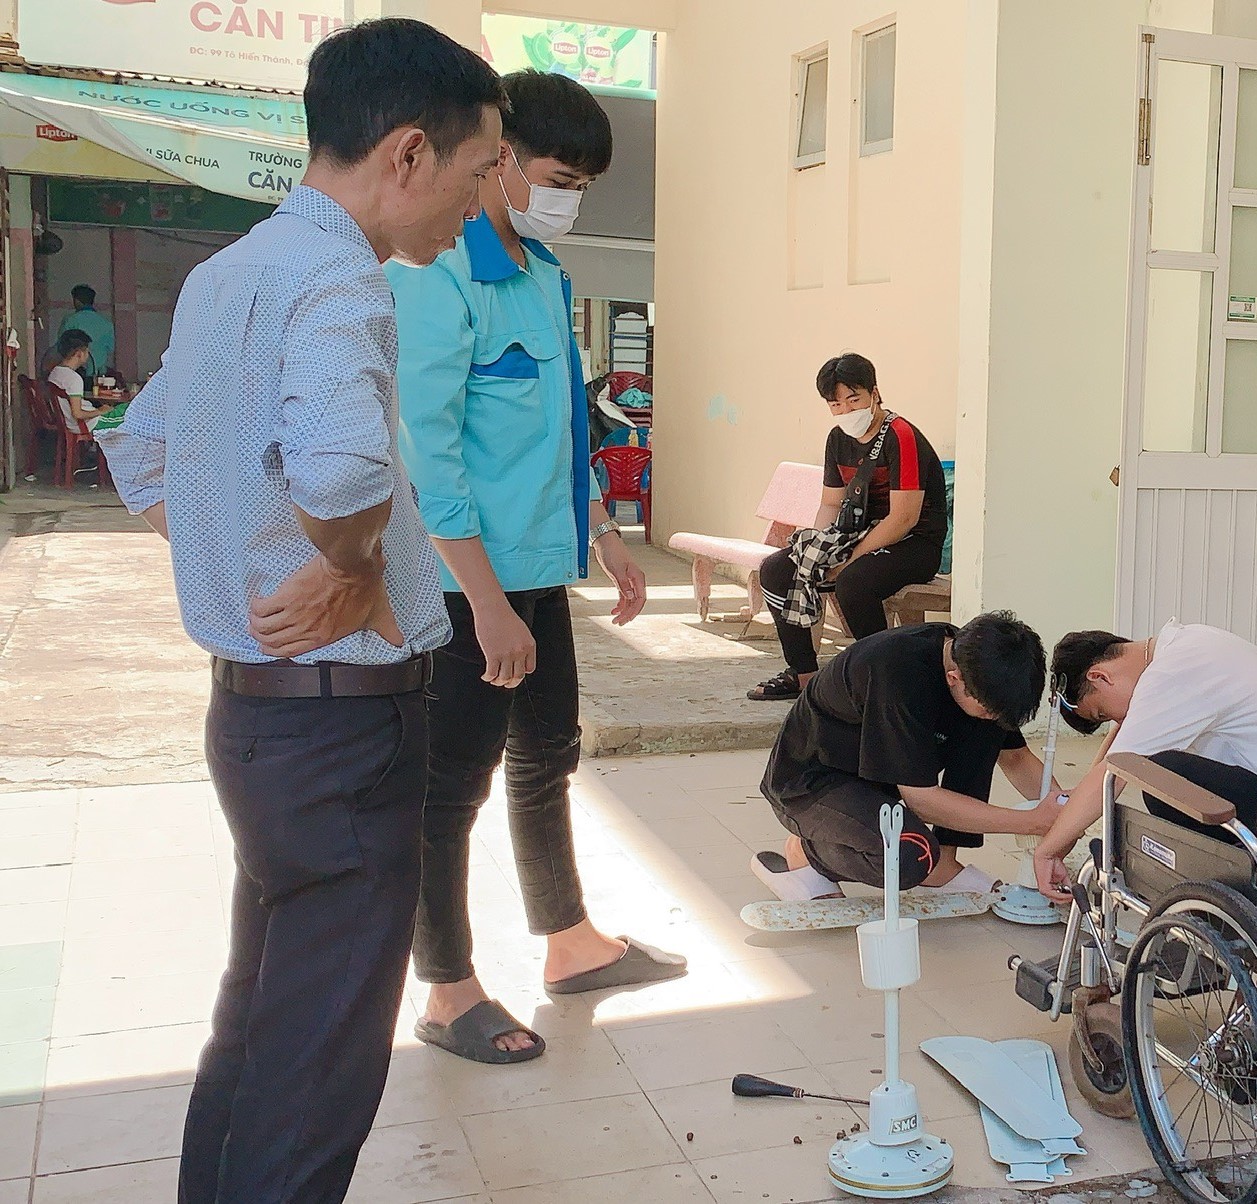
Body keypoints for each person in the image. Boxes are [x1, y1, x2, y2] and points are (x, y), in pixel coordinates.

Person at [95, 20, 506, 1203]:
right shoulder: (339, 281)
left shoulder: (234, 270)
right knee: (320, 1061)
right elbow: (337, 473)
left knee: (264, 1020)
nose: (477, 209)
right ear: (411, 154)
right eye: (480, 175)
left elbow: (144, 447)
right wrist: (355, 562)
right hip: (338, 733)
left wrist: (235, 556)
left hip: (261, 726)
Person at [387, 68, 685, 1066]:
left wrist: (602, 533)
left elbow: (559, 428)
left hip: (537, 568)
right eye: (561, 176)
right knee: (448, 786)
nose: (570, 199)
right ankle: (445, 987)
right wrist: (483, 602)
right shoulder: (436, 272)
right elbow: (426, 454)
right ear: (497, 157)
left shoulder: (548, 276)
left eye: (585, 186)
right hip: (461, 580)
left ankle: (568, 941)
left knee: (548, 750)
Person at [752, 612, 1063, 899]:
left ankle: (943, 865)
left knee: (983, 730)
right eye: (987, 707)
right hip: (812, 784)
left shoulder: (979, 665)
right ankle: (808, 853)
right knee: (911, 856)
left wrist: (1067, 815)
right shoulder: (897, 670)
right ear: (954, 678)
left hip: (873, 781)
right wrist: (1029, 822)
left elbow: (1016, 759)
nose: (992, 715)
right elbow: (922, 800)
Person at [1029, 622, 1257, 901]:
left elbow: (1115, 770)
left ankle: (1231, 886)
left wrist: (1047, 851)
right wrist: (1074, 814)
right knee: (1153, 773)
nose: (1115, 721)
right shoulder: (1185, 644)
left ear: (1099, 676)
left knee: (1159, 776)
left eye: (1102, 713)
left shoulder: (1172, 675)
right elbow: (1115, 753)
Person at [747, 352, 949, 701]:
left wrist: (849, 559)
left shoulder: (900, 436)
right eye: (835, 404)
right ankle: (805, 675)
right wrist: (817, 549)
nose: (846, 411)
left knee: (854, 582)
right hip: (857, 535)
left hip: (912, 542)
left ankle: (880, 678)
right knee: (779, 569)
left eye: (853, 399)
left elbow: (904, 518)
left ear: (874, 393)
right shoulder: (837, 439)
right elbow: (831, 503)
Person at [46, 329, 115, 432]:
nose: (88, 354)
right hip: (88, 423)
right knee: (130, 413)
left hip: (68, 423)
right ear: (79, 353)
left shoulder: (55, 372)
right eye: (87, 351)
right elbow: (77, 414)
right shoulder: (74, 379)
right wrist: (100, 411)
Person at [57, 283, 115, 378]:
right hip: (99, 374)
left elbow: (61, 347)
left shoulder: (70, 320)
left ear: (77, 300)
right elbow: (110, 348)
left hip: (75, 372)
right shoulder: (106, 322)